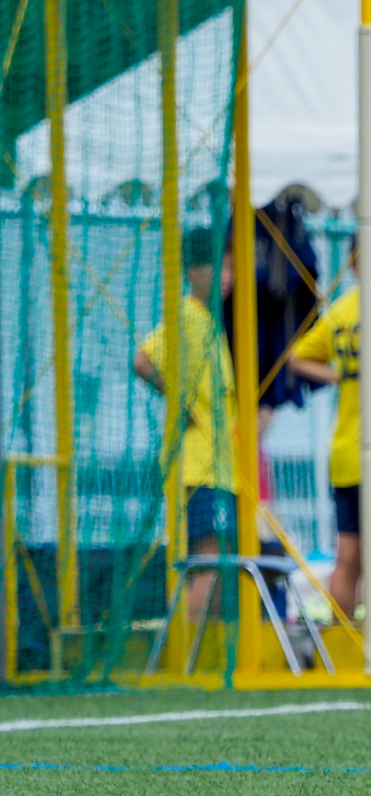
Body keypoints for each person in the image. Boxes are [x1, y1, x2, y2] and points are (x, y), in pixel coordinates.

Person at [289, 229, 371, 618]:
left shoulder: (342, 309)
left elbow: (298, 357)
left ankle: (339, 651)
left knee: (347, 557)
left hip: (346, 451)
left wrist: (342, 377)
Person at [135, 227, 238, 623]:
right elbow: (143, 359)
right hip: (199, 467)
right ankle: (185, 653)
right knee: (207, 564)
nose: (225, 275)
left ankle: (198, 655)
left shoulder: (211, 321)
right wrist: (179, 401)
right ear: (192, 272)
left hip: (217, 466)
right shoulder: (188, 316)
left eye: (229, 266)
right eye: (215, 266)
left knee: (214, 564)